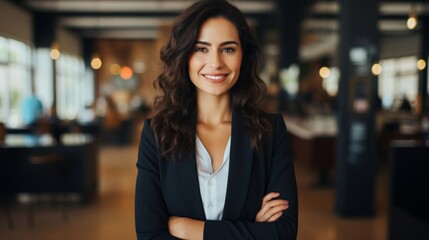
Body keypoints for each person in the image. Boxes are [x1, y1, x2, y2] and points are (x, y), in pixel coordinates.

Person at [135, 0, 298, 239]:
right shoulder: (157, 134)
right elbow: (150, 235)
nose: (216, 63)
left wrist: (192, 229)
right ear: (184, 56)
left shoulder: (270, 131)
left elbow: (283, 233)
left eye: (228, 49)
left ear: (244, 56)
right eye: (201, 48)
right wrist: (251, 228)